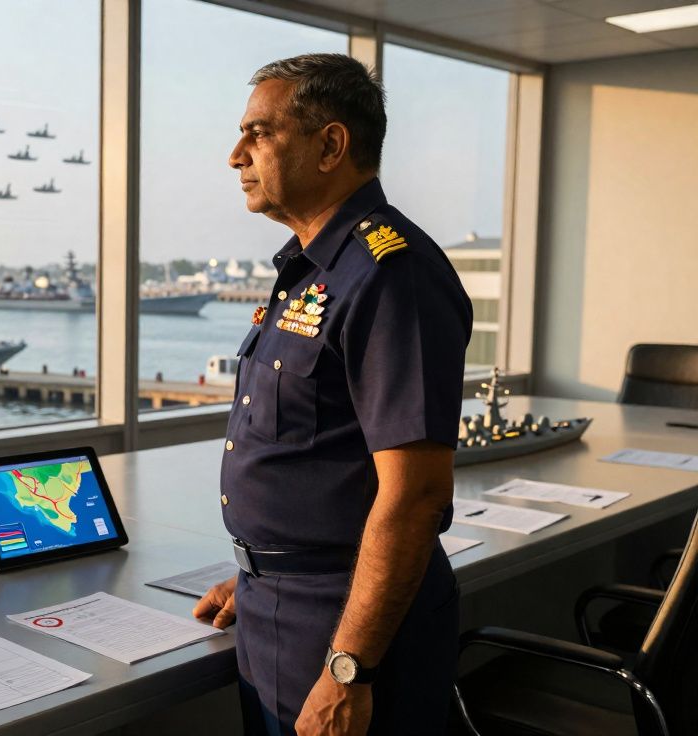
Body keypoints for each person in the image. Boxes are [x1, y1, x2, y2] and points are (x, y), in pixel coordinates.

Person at [191, 53, 472, 735]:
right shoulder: (311, 270)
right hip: (279, 610)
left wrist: (350, 669)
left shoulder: (387, 274)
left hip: (344, 633)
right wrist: (262, 576)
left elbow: (414, 496)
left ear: (331, 145)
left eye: (260, 133)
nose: (236, 155)